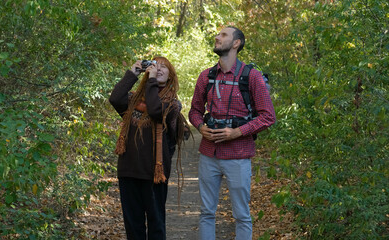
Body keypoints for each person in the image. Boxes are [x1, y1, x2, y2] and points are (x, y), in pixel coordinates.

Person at [188, 26, 276, 239]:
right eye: (218, 34)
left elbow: (268, 116)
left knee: (241, 215)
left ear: (236, 43)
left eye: (224, 35)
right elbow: (195, 111)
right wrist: (201, 127)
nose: (217, 37)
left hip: (239, 155)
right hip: (209, 154)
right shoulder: (206, 76)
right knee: (206, 212)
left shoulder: (251, 77)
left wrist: (237, 132)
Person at [109, 56, 189, 240]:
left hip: (154, 173)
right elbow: (115, 98)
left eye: (164, 66)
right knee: (133, 226)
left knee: (156, 225)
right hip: (129, 171)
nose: (158, 68)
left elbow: (154, 110)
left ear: (170, 76)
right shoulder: (133, 100)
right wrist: (132, 74)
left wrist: (151, 80)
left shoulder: (173, 105)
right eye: (154, 65)